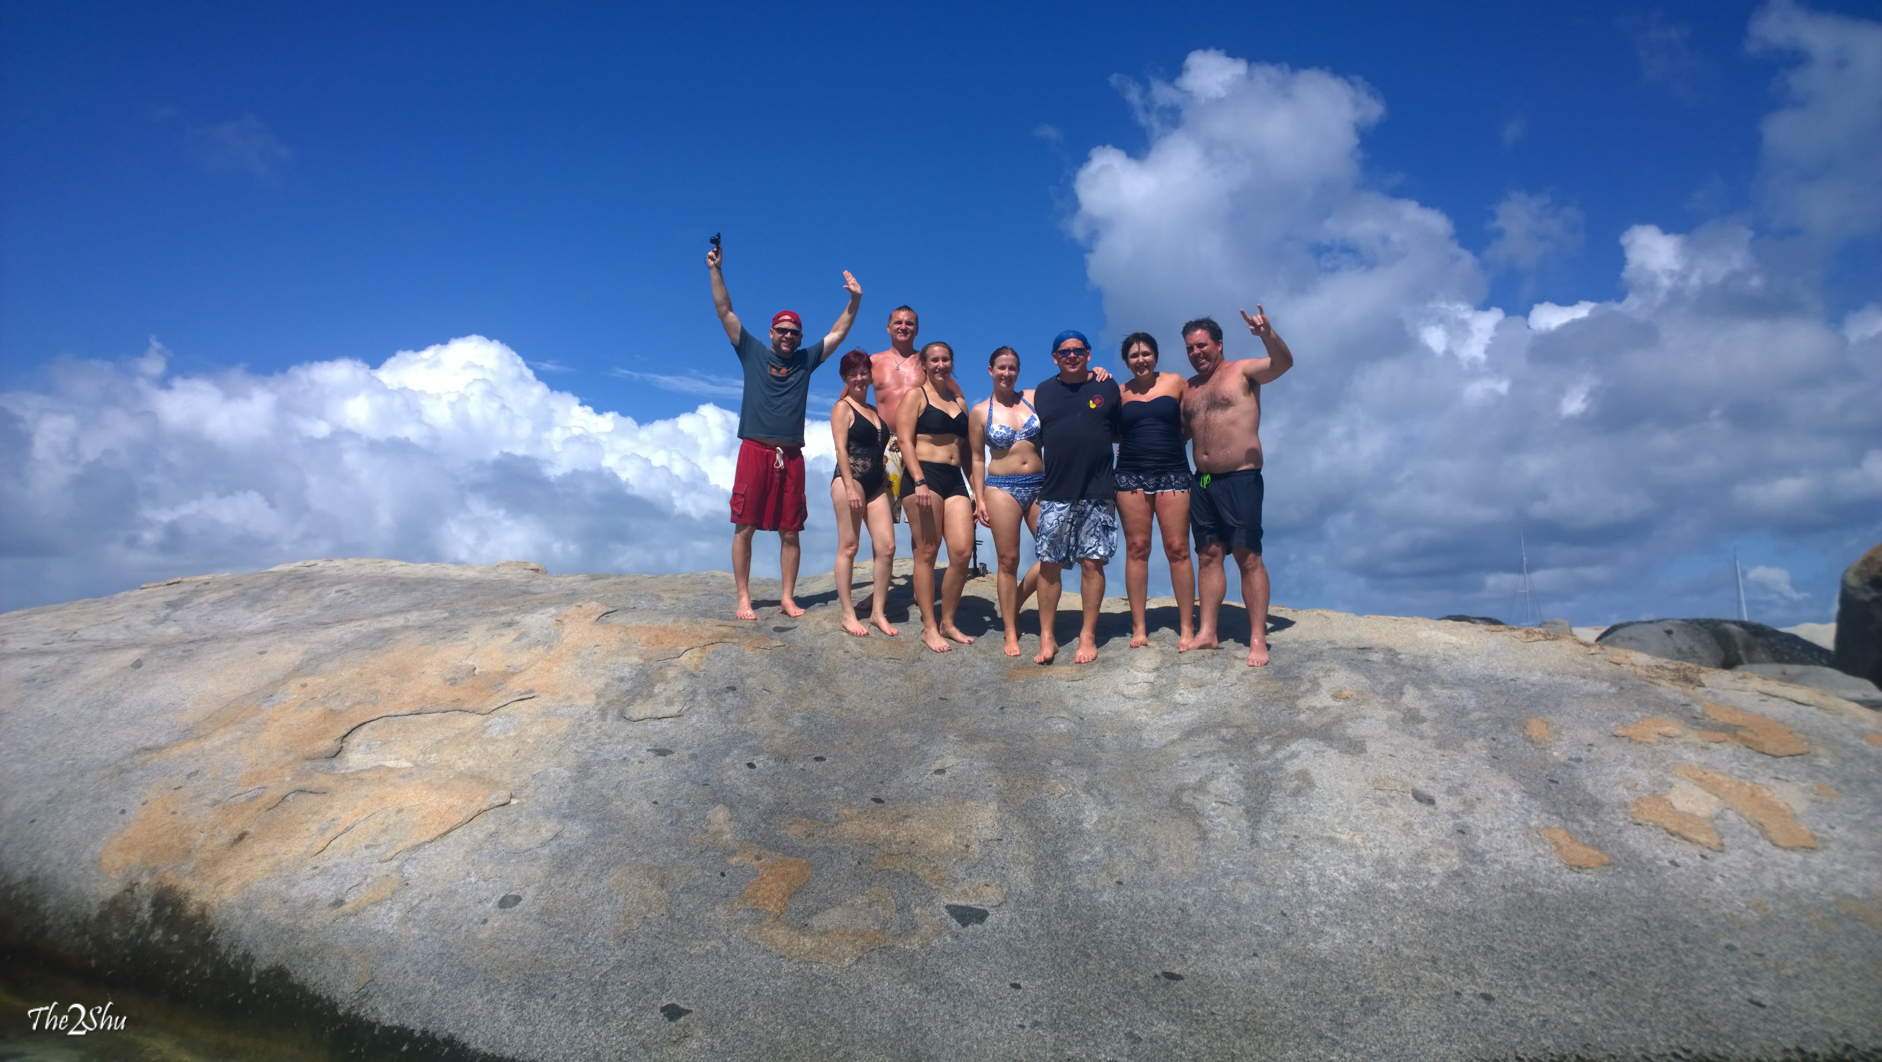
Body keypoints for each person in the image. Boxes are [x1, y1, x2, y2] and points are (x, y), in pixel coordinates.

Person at [706, 243, 861, 620]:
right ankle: (743, 597)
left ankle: (787, 597)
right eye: (783, 330)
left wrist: (855, 300)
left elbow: (838, 334)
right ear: (772, 332)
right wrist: (715, 270)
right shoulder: (752, 352)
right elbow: (725, 311)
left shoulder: (805, 361)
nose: (789, 336)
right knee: (745, 526)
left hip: (791, 456)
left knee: (790, 530)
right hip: (754, 451)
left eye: (795, 332)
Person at [1180, 308, 1295, 666]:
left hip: (1240, 477)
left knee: (1248, 556)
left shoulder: (1243, 371)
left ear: (1218, 344)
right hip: (1203, 480)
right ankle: (1208, 632)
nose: (1196, 352)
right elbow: (1179, 434)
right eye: (1190, 348)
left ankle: (1257, 638)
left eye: (1202, 345)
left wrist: (1267, 334)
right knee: (1208, 555)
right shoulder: (1189, 389)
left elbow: (1283, 364)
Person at [1031, 330, 1122, 665]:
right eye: (1065, 351)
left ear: (1088, 354)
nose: (1072, 356)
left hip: (1097, 489)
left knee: (1092, 562)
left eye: (1078, 350)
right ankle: (1047, 637)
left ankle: (1087, 635)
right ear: (1055, 357)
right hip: (1055, 490)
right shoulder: (1042, 391)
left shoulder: (1107, 386)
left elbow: (1121, 430)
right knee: (1049, 564)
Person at [894, 341, 978, 653]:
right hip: (923, 475)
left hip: (955, 479)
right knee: (927, 552)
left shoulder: (959, 402)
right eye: (934, 360)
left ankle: (947, 622)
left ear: (951, 362)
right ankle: (929, 627)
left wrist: (976, 490)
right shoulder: (916, 396)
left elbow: (966, 451)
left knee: (962, 551)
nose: (941, 365)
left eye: (945, 360)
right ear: (925, 364)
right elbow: (905, 440)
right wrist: (918, 481)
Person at [1113, 332, 1196, 650]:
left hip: (1173, 472)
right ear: (1126, 361)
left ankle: (1187, 626)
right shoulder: (1119, 392)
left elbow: (1190, 422)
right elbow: (1111, 430)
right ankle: (1139, 627)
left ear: (1156, 356)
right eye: (1134, 356)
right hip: (1130, 476)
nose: (1141, 360)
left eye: (1146, 353)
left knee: (1178, 548)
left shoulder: (1176, 382)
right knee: (1137, 547)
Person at [969, 347, 1044, 657]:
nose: (1007, 373)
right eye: (1001, 367)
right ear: (990, 370)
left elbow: (1072, 388)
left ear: (1018, 371)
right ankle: (1010, 630)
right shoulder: (980, 412)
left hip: (1039, 484)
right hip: (1001, 488)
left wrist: (1098, 374)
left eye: (1012, 368)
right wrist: (979, 498)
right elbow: (976, 458)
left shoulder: (1034, 398)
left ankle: (1016, 601)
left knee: (1054, 553)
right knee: (1008, 560)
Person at [829, 349, 898, 638]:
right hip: (851, 480)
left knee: (887, 547)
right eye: (853, 374)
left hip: (875, 483)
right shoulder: (842, 407)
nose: (859, 378)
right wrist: (849, 486)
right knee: (849, 546)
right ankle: (848, 614)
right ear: (844, 377)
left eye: (863, 372)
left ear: (870, 375)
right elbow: (840, 449)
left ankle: (877, 612)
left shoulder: (872, 409)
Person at [870, 306, 961, 523]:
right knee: (883, 518)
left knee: (923, 516)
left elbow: (958, 397)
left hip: (920, 444)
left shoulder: (928, 363)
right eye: (898, 323)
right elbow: (849, 399)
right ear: (888, 328)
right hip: (886, 444)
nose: (904, 327)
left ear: (917, 330)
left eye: (909, 323)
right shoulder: (873, 362)